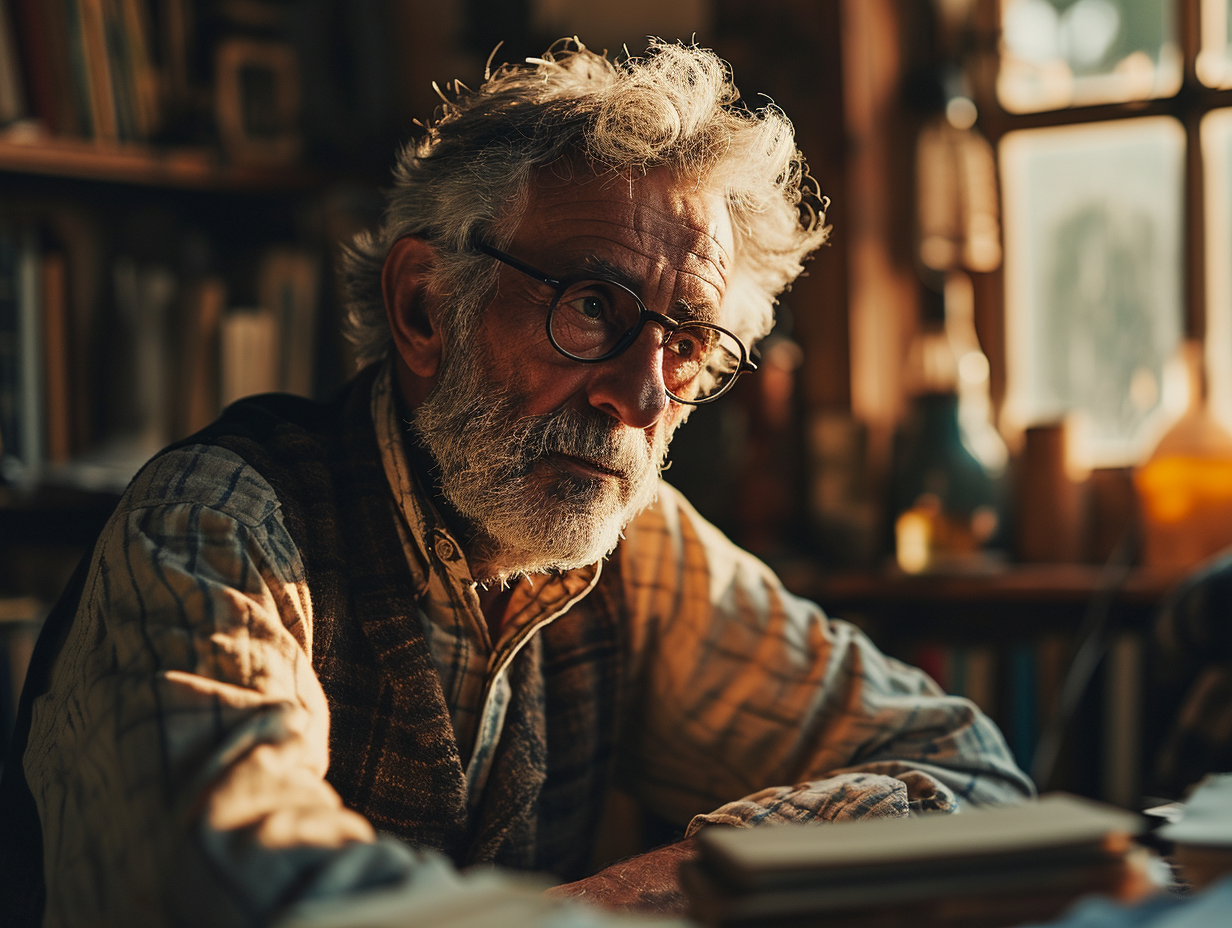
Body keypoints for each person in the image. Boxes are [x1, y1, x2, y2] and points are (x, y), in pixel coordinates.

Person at [0, 38, 1033, 927]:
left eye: (687, 344)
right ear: (423, 304)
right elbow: (244, 889)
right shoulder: (219, 526)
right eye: (592, 305)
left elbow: (975, 778)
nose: (636, 395)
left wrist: (685, 878)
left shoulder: (644, 550)